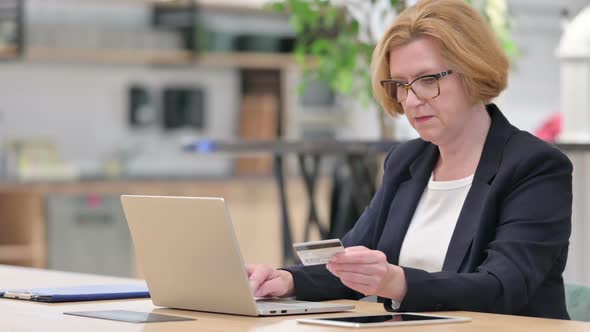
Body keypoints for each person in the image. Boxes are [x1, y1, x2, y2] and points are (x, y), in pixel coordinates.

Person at [247, 0, 572, 320]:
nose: (411, 100)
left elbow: (502, 287)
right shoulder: (407, 160)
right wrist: (286, 280)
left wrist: (397, 282)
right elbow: (351, 265)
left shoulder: (535, 167)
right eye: (400, 85)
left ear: (474, 71)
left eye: (428, 80)